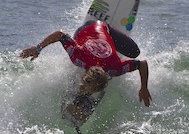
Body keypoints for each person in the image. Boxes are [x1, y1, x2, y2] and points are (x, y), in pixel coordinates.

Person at [20, 20, 152, 107]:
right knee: (134, 53)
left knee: (135, 52)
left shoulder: (115, 68)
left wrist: (144, 88)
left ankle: (109, 33)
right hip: (86, 29)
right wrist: (37, 49)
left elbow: (143, 63)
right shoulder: (78, 56)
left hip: (102, 28)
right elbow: (60, 34)